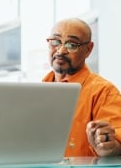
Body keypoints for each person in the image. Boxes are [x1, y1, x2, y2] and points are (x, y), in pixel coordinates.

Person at [43, 18, 121, 157]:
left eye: (72, 44)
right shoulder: (39, 89)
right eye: (55, 42)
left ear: (88, 50)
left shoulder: (104, 91)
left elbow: (115, 144)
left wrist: (110, 148)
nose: (60, 50)